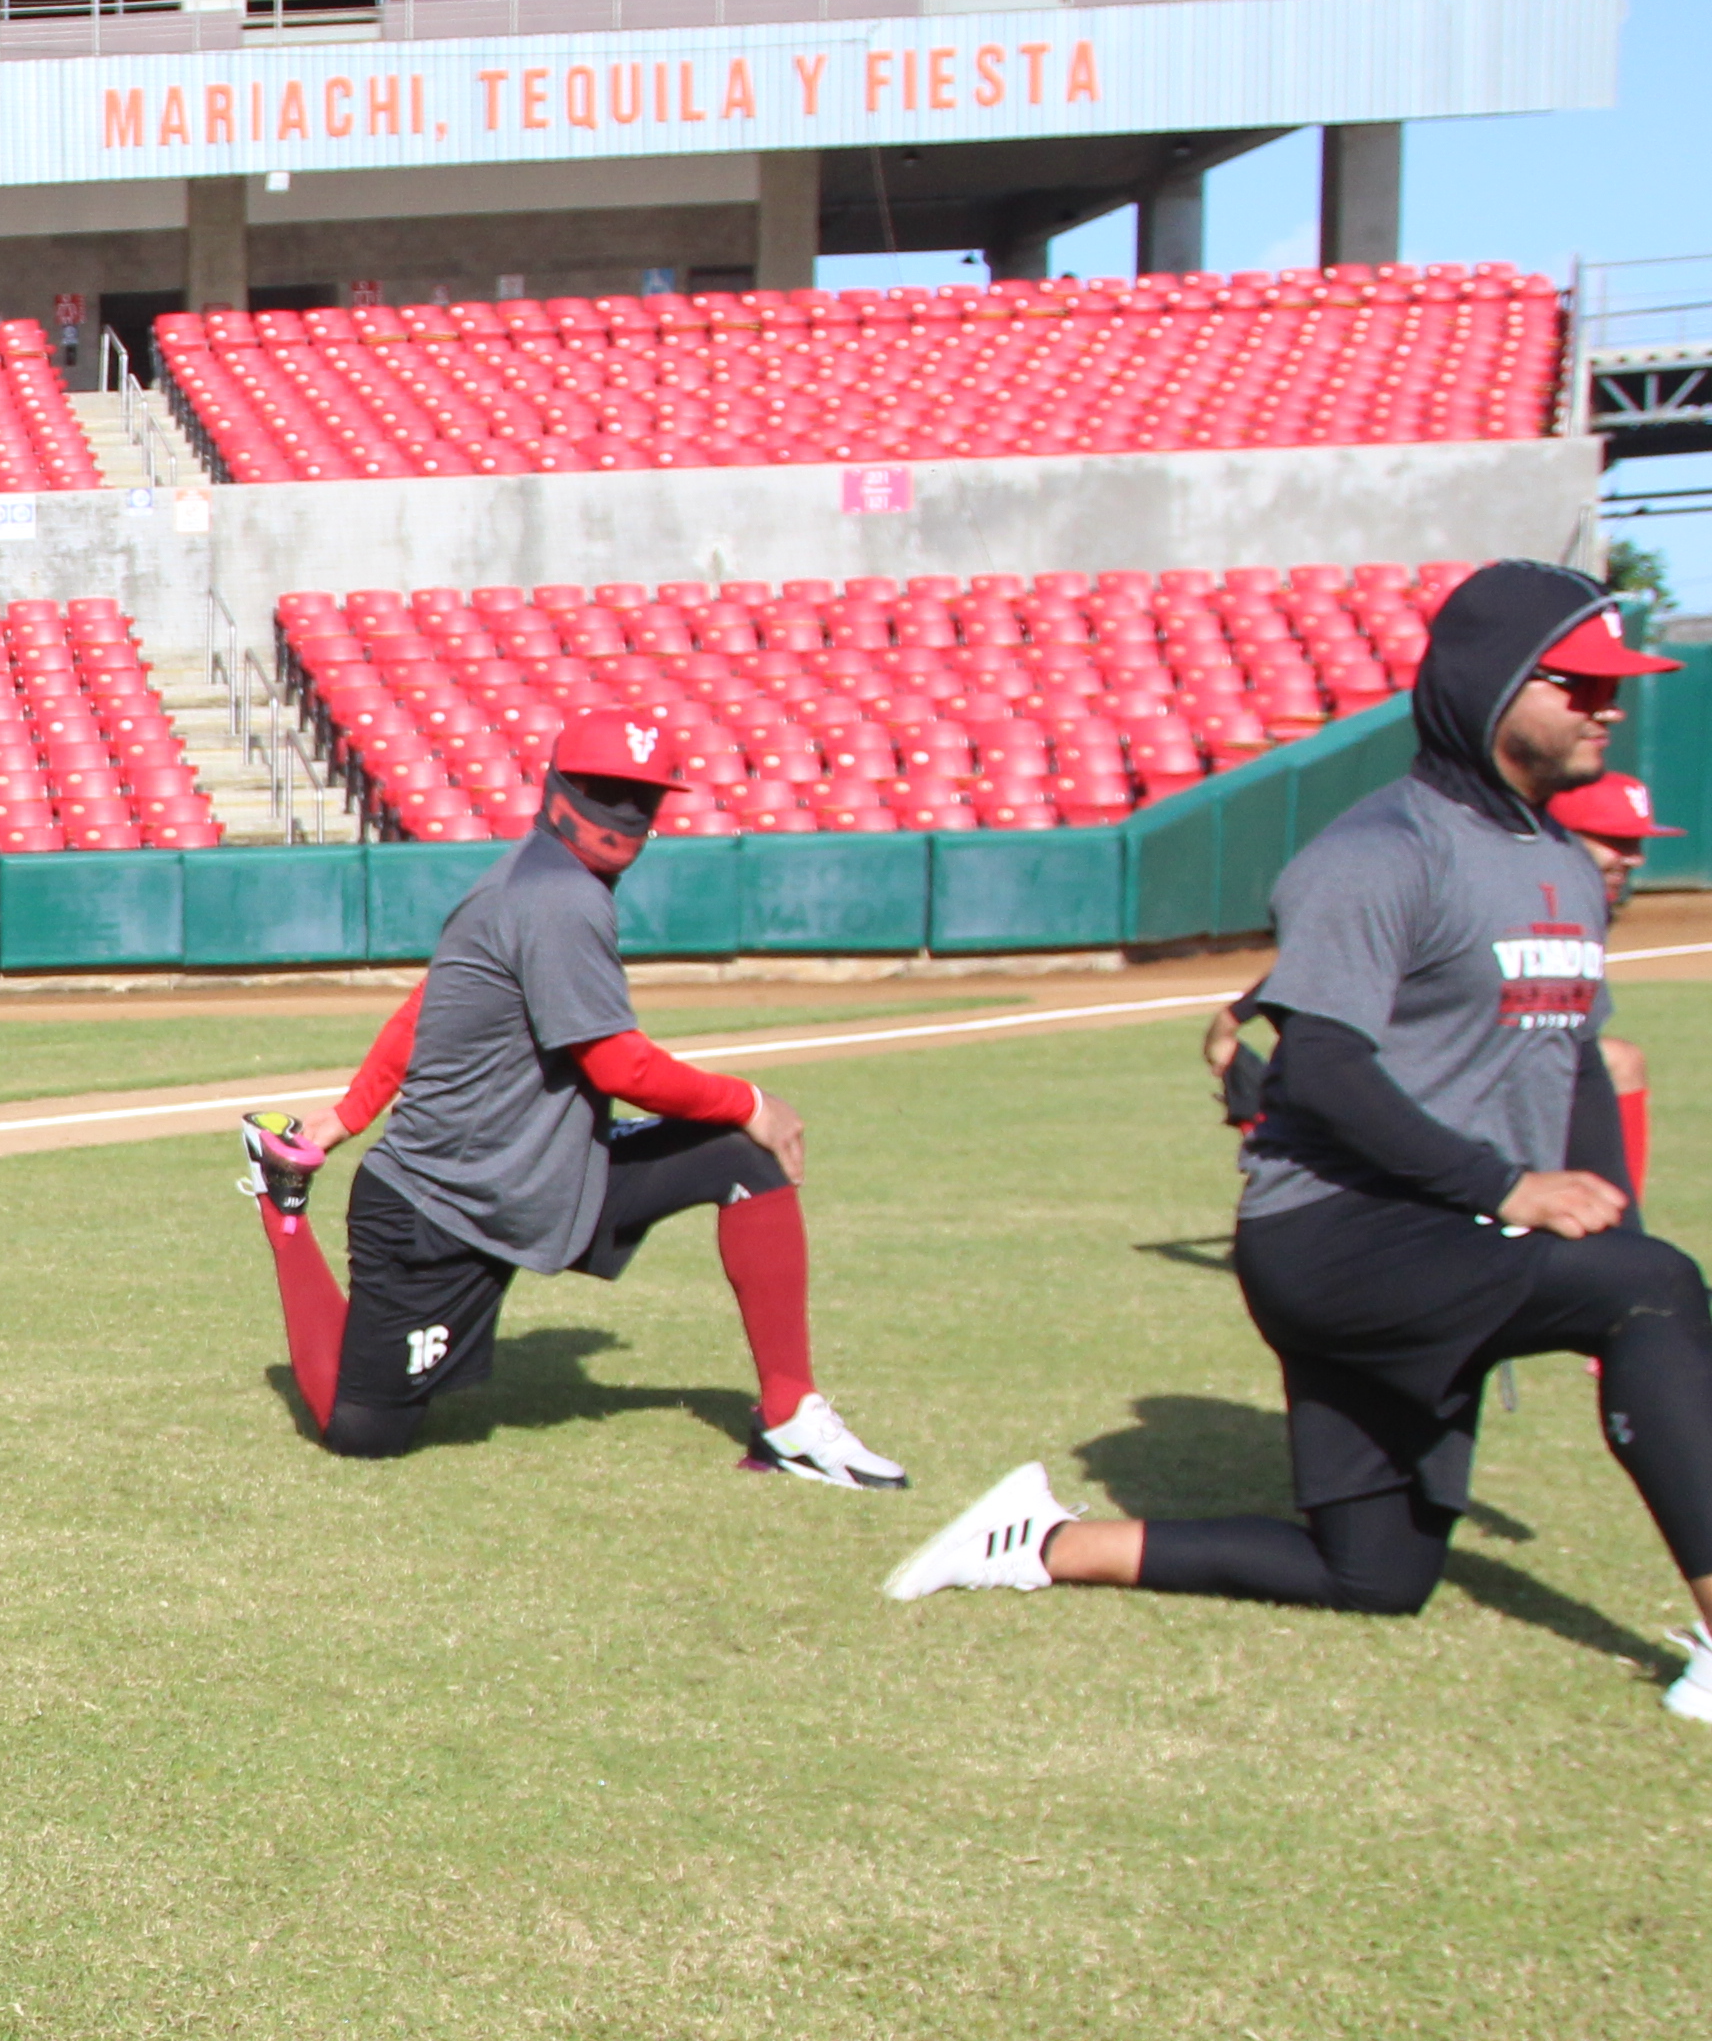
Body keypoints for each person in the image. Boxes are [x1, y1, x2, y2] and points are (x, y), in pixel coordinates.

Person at [890, 563, 1712, 1720]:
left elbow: (1572, 1060)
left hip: (1444, 1234)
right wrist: (1516, 1195)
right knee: (1655, 1288)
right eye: (1577, 684)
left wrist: (1602, 1219)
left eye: (1614, 688)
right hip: (1336, 1239)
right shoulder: (1377, 851)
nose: (1604, 707)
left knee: (1374, 1573)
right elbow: (1321, 1072)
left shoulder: (1564, 871)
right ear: (1489, 688)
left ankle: (1040, 1540)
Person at [233, 706, 908, 1487]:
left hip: (547, 1176)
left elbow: (427, 1005)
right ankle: (282, 1212)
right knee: (361, 1431)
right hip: (441, 1203)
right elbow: (618, 1065)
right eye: (605, 789)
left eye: (642, 796)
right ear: (560, 787)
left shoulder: (536, 876)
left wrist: (350, 1112)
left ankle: (791, 1417)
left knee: (738, 1162)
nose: (623, 813)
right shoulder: (557, 893)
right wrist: (749, 1099)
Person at [1206, 763, 1652, 1197]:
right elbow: (1334, 962)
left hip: (1487, 1075)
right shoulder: (1459, 874)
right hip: (1422, 1079)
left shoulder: (1574, 894)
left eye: (1636, 843)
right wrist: (1234, 1016)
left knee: (1616, 1060)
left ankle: (1614, 1219)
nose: (1634, 857)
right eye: (1615, 840)